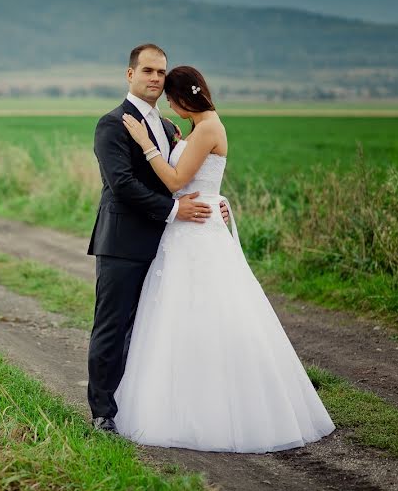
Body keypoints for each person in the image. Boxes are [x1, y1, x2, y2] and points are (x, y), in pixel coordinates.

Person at [113, 65, 335, 453]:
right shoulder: (201, 127)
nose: (168, 105)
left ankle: (214, 409)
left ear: (183, 97)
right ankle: (184, 403)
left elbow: (177, 181)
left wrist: (144, 143)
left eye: (171, 99)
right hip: (189, 229)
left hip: (196, 234)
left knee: (208, 314)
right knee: (181, 318)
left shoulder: (210, 127)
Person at [86, 44, 229, 433]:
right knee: (113, 326)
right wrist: (173, 211)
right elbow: (122, 184)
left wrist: (217, 204)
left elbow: (188, 179)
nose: (154, 78)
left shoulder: (169, 128)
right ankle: (103, 412)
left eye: (160, 72)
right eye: (147, 71)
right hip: (123, 244)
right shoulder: (112, 124)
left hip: (171, 246)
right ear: (130, 74)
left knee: (152, 328)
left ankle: (143, 407)